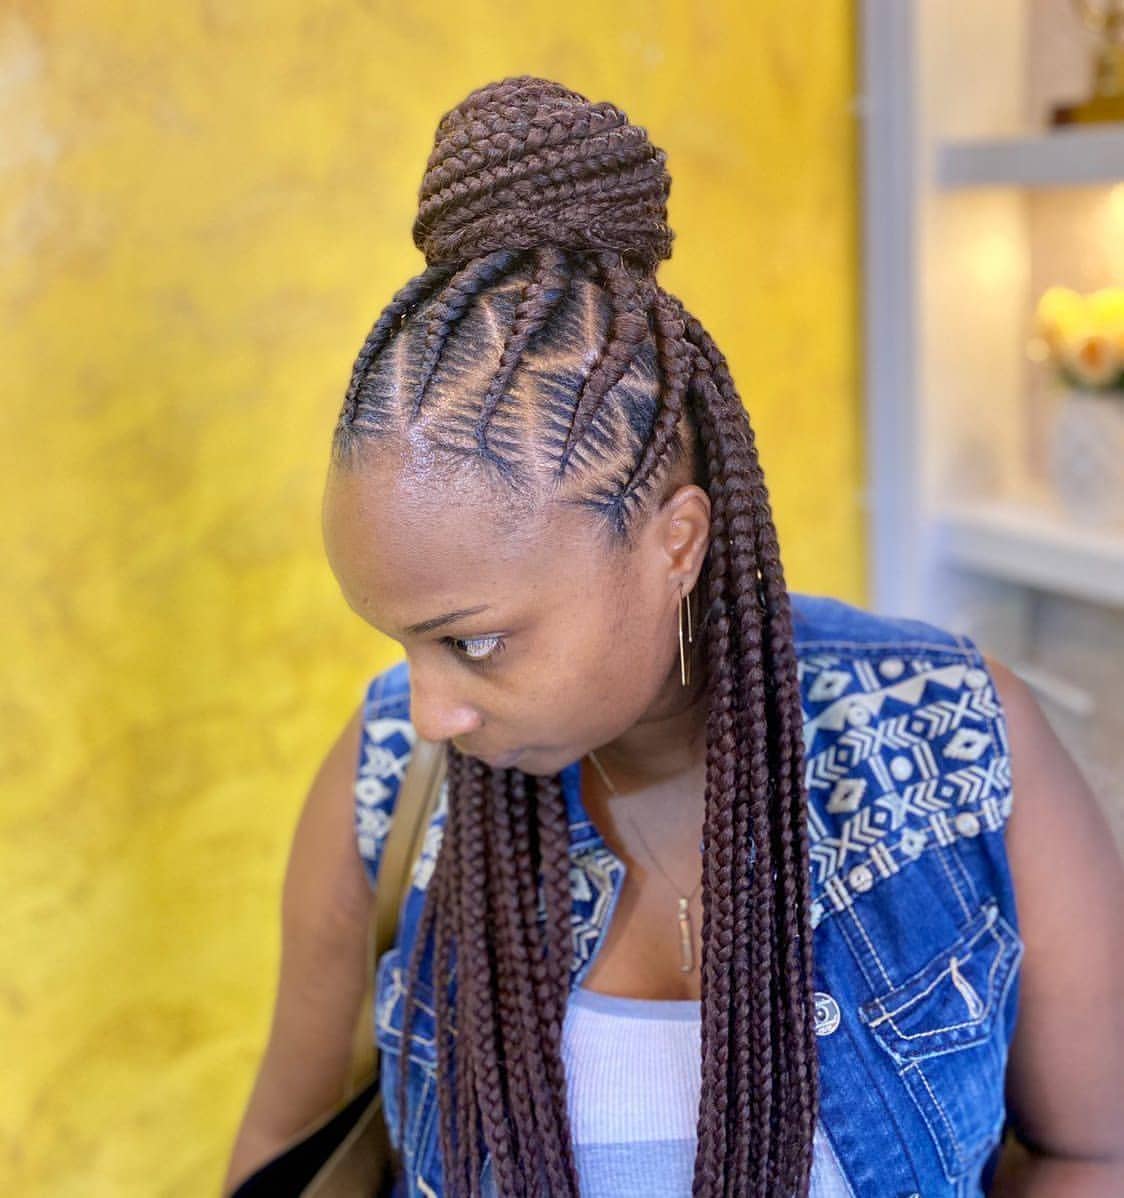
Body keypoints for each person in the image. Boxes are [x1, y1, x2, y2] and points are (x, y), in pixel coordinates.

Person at [222, 77, 1124, 1197]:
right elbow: (283, 1156)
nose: (430, 711)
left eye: (475, 642)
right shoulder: (384, 786)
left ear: (674, 542)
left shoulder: (955, 741)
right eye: (401, 642)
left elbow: (1095, 1150)